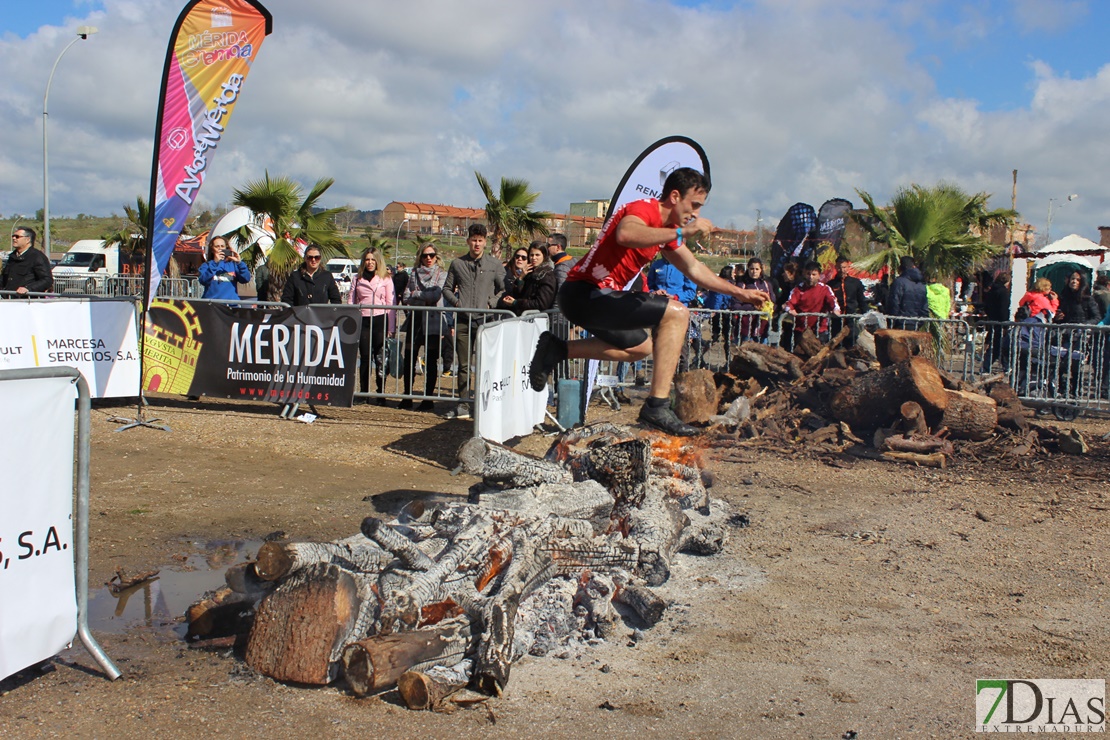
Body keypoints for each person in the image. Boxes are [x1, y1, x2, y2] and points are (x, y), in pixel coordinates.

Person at [527, 167, 769, 436]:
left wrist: (739, 293)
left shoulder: (667, 231)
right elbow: (626, 235)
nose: (696, 214)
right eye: (694, 205)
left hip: (595, 299)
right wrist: (683, 233)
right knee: (677, 313)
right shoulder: (645, 209)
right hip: (584, 293)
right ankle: (657, 406)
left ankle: (557, 349)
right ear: (675, 196)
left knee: (641, 348)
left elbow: (695, 268)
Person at [442, 224, 505, 419]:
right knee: (463, 365)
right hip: (463, 321)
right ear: (468, 241)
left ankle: (484, 404)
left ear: (485, 242)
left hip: (486, 322)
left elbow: (503, 289)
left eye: (480, 240)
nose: (477, 243)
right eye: (474, 240)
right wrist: (458, 303)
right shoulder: (457, 264)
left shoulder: (494, 265)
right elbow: (446, 288)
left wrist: (491, 303)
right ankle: (463, 403)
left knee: (486, 365)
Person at [401, 244, 449, 412]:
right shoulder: (413, 273)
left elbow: (436, 295)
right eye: (425, 255)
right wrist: (422, 296)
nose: (428, 258)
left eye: (431, 255)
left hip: (434, 321)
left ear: (436, 256)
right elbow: (405, 296)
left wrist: (416, 294)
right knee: (409, 358)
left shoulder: (442, 274)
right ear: (420, 257)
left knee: (431, 361)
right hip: (415, 319)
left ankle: (428, 399)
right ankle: (407, 396)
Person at [349, 247, 396, 405]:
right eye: (367, 259)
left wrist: (391, 328)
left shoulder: (386, 279)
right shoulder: (357, 278)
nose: (370, 262)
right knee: (365, 358)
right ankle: (363, 393)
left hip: (380, 319)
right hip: (363, 320)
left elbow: (391, 304)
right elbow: (351, 301)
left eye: (373, 259)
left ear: (378, 261)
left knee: (381, 358)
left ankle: (381, 393)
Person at [783, 261, 841, 343]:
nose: (810, 277)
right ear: (804, 274)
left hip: (820, 330)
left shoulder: (825, 289)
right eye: (808, 274)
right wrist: (790, 309)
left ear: (819, 275)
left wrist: (836, 309)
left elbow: (832, 301)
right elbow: (789, 303)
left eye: (814, 274)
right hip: (801, 330)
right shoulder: (798, 289)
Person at [499, 241, 556, 315]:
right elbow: (518, 294)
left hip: (537, 319)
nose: (534, 258)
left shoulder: (547, 275)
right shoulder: (529, 273)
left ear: (544, 256)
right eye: (531, 255)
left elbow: (542, 304)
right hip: (525, 317)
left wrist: (516, 303)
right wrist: (520, 278)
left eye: (537, 255)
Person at [732, 257, 777, 344]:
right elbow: (735, 305)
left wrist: (768, 308)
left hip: (763, 327)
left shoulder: (766, 284)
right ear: (748, 269)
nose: (754, 271)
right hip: (746, 327)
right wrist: (753, 308)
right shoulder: (742, 284)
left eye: (757, 269)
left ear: (761, 270)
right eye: (752, 269)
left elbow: (773, 302)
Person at [198, 236, 251, 301]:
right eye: (217, 246)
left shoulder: (233, 264)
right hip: (211, 304)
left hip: (231, 305)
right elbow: (203, 280)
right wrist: (215, 263)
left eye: (222, 246)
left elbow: (245, 279)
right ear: (212, 250)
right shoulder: (206, 265)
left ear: (226, 248)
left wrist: (239, 263)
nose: (220, 248)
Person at [2, 227, 52, 296]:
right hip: (9, 301)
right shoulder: (12, 257)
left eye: (17, 236)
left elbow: (47, 280)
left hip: (27, 302)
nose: (14, 238)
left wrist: (28, 288)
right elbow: (3, 279)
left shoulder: (37, 256)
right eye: (13, 236)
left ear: (28, 239)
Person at [886, 256, 929, 327]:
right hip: (916, 323)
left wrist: (892, 321)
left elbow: (894, 303)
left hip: (900, 323)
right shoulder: (921, 284)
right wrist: (921, 322)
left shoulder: (899, 282)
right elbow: (924, 307)